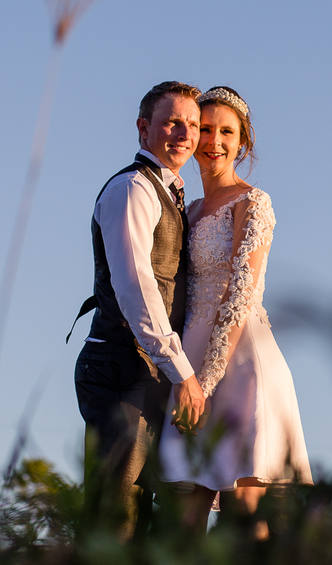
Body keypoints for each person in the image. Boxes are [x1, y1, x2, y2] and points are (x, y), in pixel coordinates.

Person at [158, 85, 313, 536]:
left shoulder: (253, 203)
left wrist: (204, 381)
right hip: (187, 357)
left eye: (227, 131)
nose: (214, 140)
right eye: (205, 129)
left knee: (245, 521)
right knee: (181, 519)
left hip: (242, 361)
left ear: (242, 143)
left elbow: (241, 292)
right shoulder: (187, 211)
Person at [72, 81, 207, 539]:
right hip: (119, 364)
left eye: (193, 124)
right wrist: (182, 372)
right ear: (143, 128)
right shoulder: (133, 190)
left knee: (148, 514)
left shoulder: (172, 194)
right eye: (172, 122)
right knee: (115, 515)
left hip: (147, 368)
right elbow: (136, 289)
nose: (184, 134)